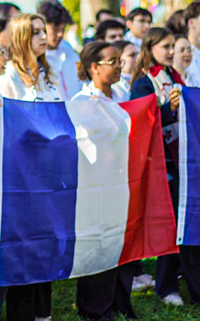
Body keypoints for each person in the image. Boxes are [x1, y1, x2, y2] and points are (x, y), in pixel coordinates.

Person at [131, 28, 200, 310]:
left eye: (173, 46)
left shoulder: (176, 77)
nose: (170, 52)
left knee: (178, 226)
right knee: (187, 225)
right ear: (150, 48)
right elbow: (141, 123)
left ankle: (166, 285)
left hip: (183, 159)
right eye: (165, 46)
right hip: (161, 165)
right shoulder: (144, 82)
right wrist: (169, 109)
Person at [0, 13, 62, 321]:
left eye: (43, 30)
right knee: (24, 247)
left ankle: (42, 312)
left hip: (49, 172)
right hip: (21, 177)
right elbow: (6, 129)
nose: (43, 37)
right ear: (21, 37)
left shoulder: (50, 74)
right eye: (35, 32)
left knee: (46, 242)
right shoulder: (6, 79)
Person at [71, 41, 136, 320]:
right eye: (113, 61)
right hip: (95, 185)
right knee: (96, 242)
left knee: (118, 239)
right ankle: (93, 308)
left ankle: (119, 301)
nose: (119, 66)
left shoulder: (121, 95)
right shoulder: (81, 102)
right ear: (94, 67)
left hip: (120, 181)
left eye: (120, 61)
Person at [38, 0, 82, 99]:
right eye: (55, 29)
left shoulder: (69, 50)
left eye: (63, 29)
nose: (60, 34)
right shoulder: (35, 57)